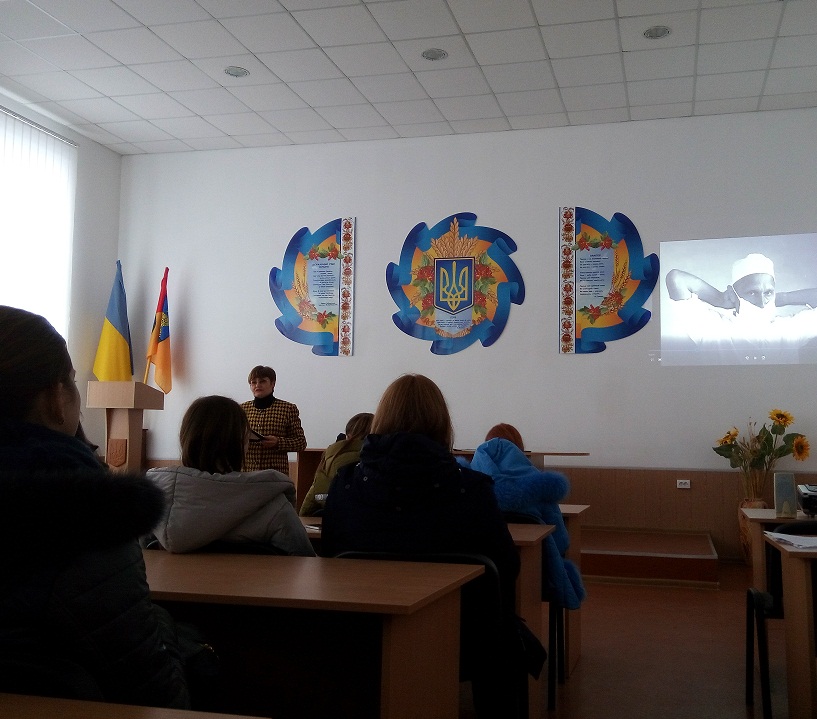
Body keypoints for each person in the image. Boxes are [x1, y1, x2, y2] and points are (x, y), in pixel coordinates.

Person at [321, 374, 542, 719]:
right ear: (442, 423)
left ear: (382, 420)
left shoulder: (346, 484)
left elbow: (329, 559)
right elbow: (506, 568)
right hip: (466, 641)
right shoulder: (473, 489)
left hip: (364, 635)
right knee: (506, 633)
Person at [0, 305, 189, 708]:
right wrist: (165, 629)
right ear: (56, 398)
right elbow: (157, 697)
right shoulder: (92, 519)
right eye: (72, 381)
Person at [146, 395, 314, 556]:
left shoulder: (149, 505)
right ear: (241, 443)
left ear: (185, 438)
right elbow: (303, 565)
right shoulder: (276, 508)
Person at [465, 424, 586, 610]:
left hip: (479, 578)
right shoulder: (542, 486)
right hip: (536, 575)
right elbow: (561, 542)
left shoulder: (468, 485)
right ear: (520, 448)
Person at [665, 253, 817, 350]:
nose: (762, 302)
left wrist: (782, 298)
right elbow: (676, 278)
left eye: (768, 292)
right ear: (734, 294)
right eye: (752, 292)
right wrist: (720, 299)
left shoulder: (789, 329)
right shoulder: (713, 328)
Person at [299, 412, 373, 517]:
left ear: (348, 436)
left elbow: (313, 495)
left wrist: (303, 517)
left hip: (328, 515)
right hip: (362, 518)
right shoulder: (375, 458)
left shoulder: (330, 456)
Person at [241, 365, 306, 475]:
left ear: (273, 383)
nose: (257, 385)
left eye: (262, 381)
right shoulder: (242, 409)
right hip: (247, 473)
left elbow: (301, 443)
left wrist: (278, 442)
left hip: (275, 474)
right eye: (253, 382)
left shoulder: (287, 409)